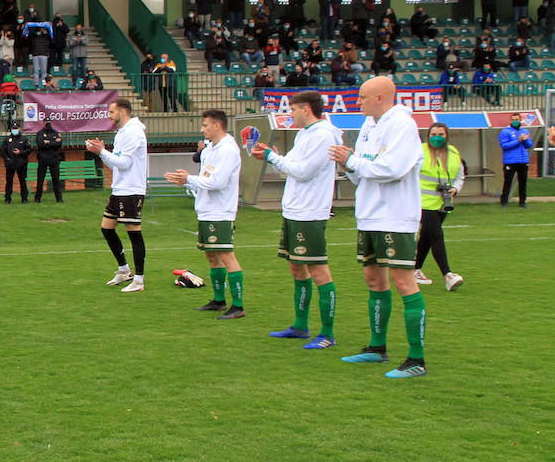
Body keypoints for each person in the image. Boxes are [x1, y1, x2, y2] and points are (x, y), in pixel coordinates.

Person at [328, 76, 429, 379]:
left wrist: (353, 161)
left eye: (362, 97)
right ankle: (377, 347)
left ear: (381, 97)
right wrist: (348, 164)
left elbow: (393, 169)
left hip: (396, 215)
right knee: (373, 279)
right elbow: (362, 173)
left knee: (403, 281)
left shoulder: (402, 125)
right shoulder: (368, 126)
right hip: (369, 215)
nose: (357, 102)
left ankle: (417, 359)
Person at [252, 91, 343, 347]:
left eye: (293, 109)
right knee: (296, 268)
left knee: (318, 271)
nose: (290, 114)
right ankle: (300, 326)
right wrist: (273, 156)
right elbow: (289, 167)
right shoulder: (304, 134)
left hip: (310, 212)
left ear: (306, 109)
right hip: (294, 210)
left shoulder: (324, 135)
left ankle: (327, 334)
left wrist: (272, 157)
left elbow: (303, 172)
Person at [166, 110, 245, 318]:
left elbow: (218, 183)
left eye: (205, 125)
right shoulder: (210, 149)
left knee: (226, 256)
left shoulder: (228, 149)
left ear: (217, 126)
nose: (202, 129)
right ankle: (219, 301)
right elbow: (206, 178)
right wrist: (187, 181)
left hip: (221, 211)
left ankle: (238, 306)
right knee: (212, 256)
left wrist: (189, 179)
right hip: (206, 210)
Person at [86, 99, 149, 292]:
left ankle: (139, 280)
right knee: (107, 228)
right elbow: (116, 165)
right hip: (119, 189)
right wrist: (101, 153)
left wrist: (103, 151)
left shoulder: (133, 132)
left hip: (131, 189)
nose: (109, 115)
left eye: (112, 112)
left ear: (122, 112)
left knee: (133, 232)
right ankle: (124, 270)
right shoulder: (121, 133)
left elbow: (125, 164)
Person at [413, 123, 465, 292]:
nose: (437, 137)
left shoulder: (453, 153)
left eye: (440, 134)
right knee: (436, 235)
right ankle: (447, 274)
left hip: (443, 203)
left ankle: (415, 269)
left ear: (446, 135)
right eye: (433, 134)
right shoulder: (419, 151)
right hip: (423, 202)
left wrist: (455, 188)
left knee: (427, 237)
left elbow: (460, 176)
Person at [499, 114, 533, 208]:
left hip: (523, 160)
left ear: (520, 120)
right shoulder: (505, 131)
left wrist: (525, 140)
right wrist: (518, 141)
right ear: (510, 121)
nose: (515, 121)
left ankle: (522, 202)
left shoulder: (525, 131)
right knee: (508, 182)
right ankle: (504, 202)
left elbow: (529, 145)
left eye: (517, 119)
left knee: (523, 182)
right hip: (510, 161)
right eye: (513, 119)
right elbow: (504, 145)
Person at [34, 118, 64, 203]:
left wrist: (48, 142)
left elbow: (59, 143)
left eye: (49, 122)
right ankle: (37, 199)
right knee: (40, 180)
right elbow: (40, 144)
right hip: (43, 160)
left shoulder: (56, 133)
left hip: (54, 160)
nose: (48, 124)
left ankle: (59, 199)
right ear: (43, 123)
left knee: (56, 180)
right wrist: (52, 142)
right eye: (46, 122)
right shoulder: (40, 133)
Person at [0, 125, 31, 204]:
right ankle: (7, 199)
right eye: (13, 128)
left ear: (19, 129)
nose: (14, 130)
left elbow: (28, 151)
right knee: (9, 182)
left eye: (16, 128)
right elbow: (3, 151)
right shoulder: (7, 139)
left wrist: (20, 152)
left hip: (21, 164)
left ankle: (24, 198)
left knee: (22, 181)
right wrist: (7, 159)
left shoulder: (24, 139)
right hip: (10, 164)